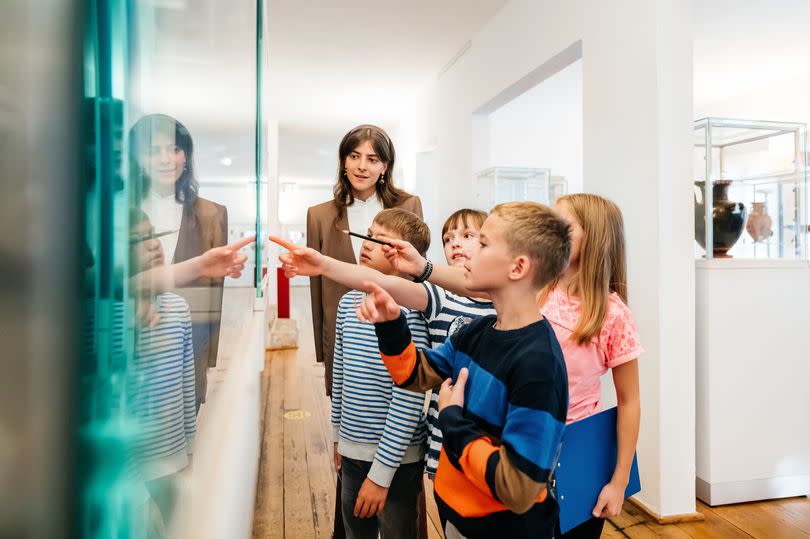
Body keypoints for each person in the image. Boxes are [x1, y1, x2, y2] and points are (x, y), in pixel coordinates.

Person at [357, 202, 571, 539]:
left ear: (518, 267)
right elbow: (413, 374)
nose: (464, 252)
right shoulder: (477, 332)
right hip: (457, 513)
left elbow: (518, 488)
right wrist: (391, 324)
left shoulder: (539, 364)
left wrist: (453, 419)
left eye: (482, 244)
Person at [538, 194, 642, 539]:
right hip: (521, 450)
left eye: (563, 225)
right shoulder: (537, 286)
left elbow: (630, 401)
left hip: (575, 462)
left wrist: (619, 480)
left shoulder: (613, 315)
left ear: (594, 237)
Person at [330, 209, 431, 539]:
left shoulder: (412, 313)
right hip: (352, 448)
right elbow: (341, 376)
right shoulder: (348, 304)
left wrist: (382, 474)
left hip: (398, 461)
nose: (367, 244)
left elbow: (408, 400)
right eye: (368, 234)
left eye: (379, 240)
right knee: (354, 530)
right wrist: (337, 436)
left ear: (404, 256)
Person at [306, 124, 423, 398]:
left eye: (372, 160)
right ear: (343, 162)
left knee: (400, 398)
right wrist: (324, 352)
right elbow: (318, 291)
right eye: (354, 156)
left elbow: (417, 271)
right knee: (349, 410)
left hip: (398, 318)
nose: (362, 166)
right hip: (345, 326)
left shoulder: (409, 205)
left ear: (385, 166)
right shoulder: (319, 216)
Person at [130, 114, 229, 411]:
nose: (166, 159)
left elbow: (215, 292)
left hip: (186, 343)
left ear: (186, 156)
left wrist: (205, 360)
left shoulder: (213, 213)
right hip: (130, 337)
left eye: (174, 149)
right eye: (153, 149)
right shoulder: (119, 209)